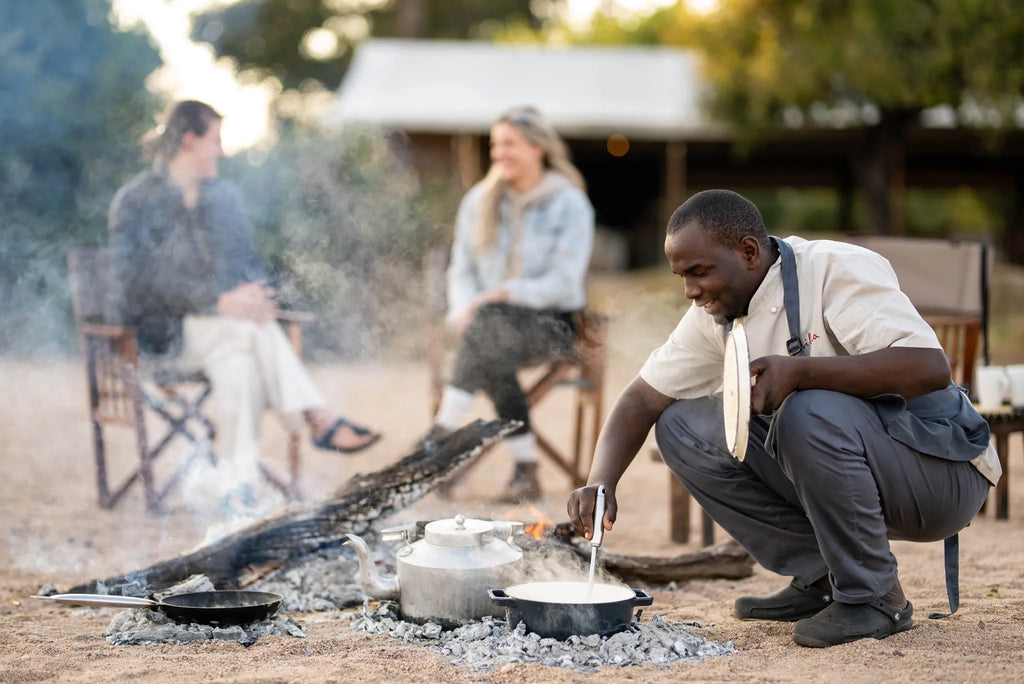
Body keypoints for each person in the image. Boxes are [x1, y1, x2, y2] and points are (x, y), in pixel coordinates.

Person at [567, 189, 1000, 647]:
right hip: (858, 460)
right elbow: (641, 398)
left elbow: (930, 368)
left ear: (748, 252)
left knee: (807, 408)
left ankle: (874, 598)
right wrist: (600, 481)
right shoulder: (716, 312)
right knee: (683, 426)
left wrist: (802, 371)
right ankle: (824, 579)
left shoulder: (834, 268)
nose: (691, 292)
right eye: (681, 277)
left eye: (699, 272)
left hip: (941, 469)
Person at [108, 99, 381, 500]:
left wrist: (253, 294)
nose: (221, 151)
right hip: (159, 339)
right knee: (245, 334)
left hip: (227, 335)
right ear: (189, 140)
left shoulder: (223, 198)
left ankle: (238, 491)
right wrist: (217, 302)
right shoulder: (135, 201)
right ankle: (317, 417)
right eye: (215, 140)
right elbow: (134, 283)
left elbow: (247, 264)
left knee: (241, 358)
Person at [427, 105, 595, 501]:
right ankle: (526, 472)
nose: (499, 153)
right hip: (487, 327)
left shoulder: (569, 203)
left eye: (509, 144)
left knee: (489, 325)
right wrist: (462, 311)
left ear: (538, 147)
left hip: (552, 326)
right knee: (490, 337)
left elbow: (565, 280)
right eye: (495, 145)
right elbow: (462, 270)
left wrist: (505, 294)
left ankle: (442, 434)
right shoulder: (479, 201)